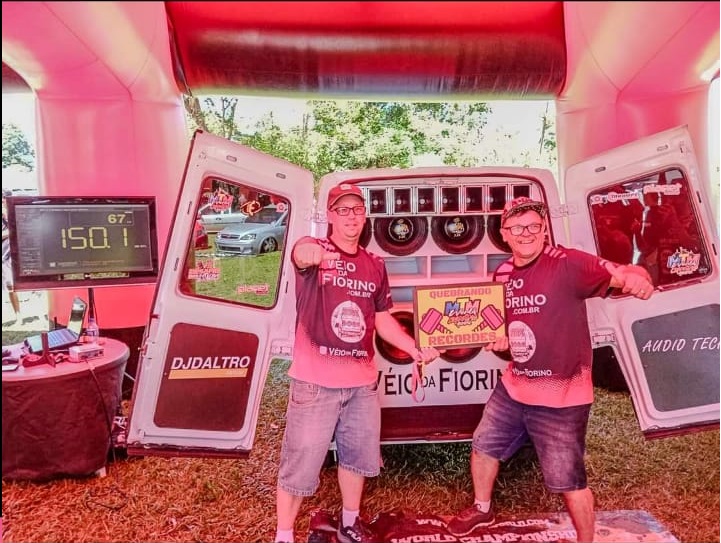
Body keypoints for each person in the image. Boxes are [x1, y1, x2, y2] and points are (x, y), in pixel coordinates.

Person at [447, 197, 653, 543]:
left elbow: (621, 272)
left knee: (569, 481)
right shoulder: (502, 274)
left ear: (544, 230)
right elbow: (506, 331)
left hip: (562, 397)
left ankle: (585, 540)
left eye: (533, 226)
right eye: (516, 227)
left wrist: (638, 277)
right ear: (504, 233)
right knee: (483, 446)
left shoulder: (568, 262)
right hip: (514, 388)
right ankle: (482, 509)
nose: (525, 233)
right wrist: (500, 340)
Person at [274, 182, 440, 543]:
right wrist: (309, 254)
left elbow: (382, 319)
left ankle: (350, 522)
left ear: (365, 216)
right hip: (315, 383)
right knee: (300, 463)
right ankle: (283, 535)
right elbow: (301, 252)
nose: (351, 216)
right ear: (330, 215)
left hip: (362, 385)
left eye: (357, 210)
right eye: (343, 210)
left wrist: (414, 348)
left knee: (356, 458)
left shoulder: (374, 265)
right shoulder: (316, 252)